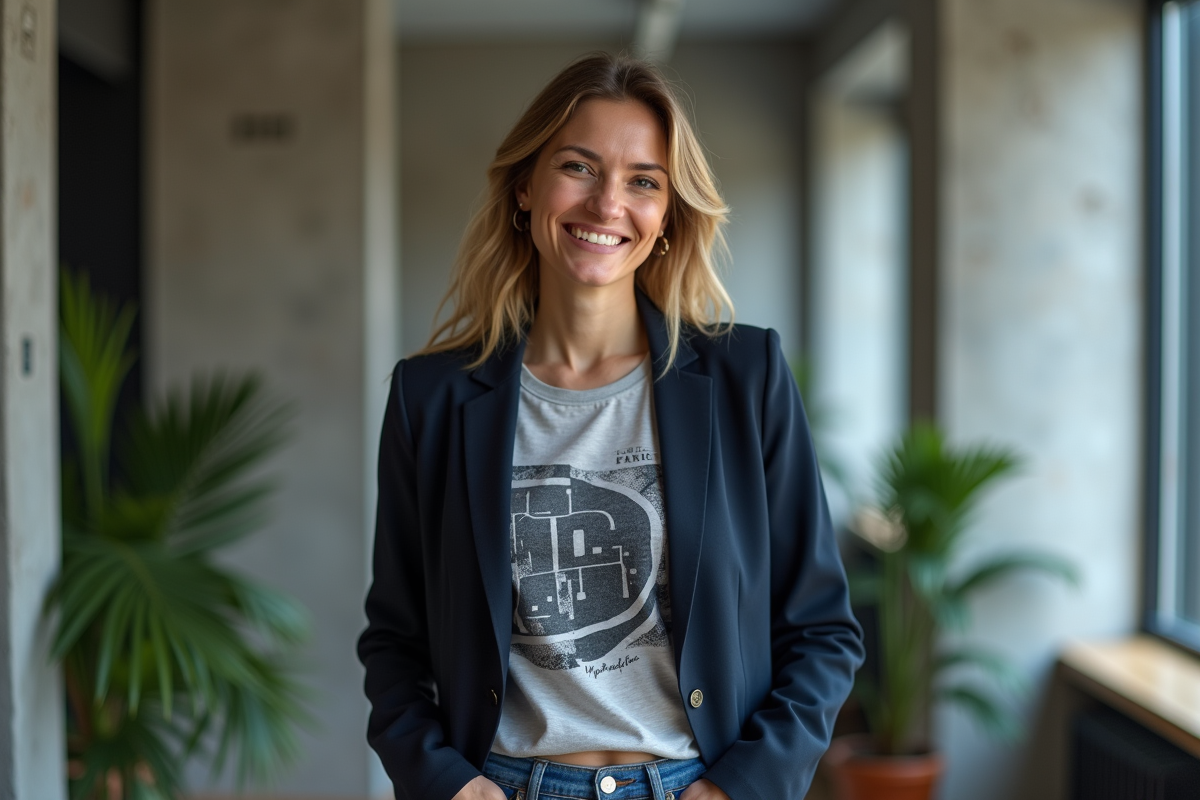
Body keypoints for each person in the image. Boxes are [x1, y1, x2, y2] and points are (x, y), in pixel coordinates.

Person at [357, 52, 864, 800]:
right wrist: (447, 787)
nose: (606, 204)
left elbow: (822, 630)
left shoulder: (744, 377)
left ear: (666, 215)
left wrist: (741, 789)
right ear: (526, 188)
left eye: (643, 181)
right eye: (579, 167)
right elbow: (395, 641)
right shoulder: (430, 399)